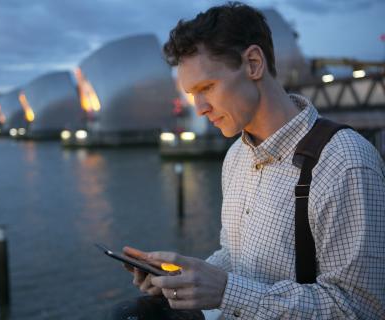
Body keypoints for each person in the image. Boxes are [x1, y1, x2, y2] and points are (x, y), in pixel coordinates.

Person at [124, 2, 385, 319]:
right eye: (192, 93)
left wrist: (225, 291)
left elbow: (360, 308)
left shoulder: (345, 162)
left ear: (253, 63)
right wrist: (185, 276)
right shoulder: (236, 155)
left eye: (207, 87)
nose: (200, 108)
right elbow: (236, 257)